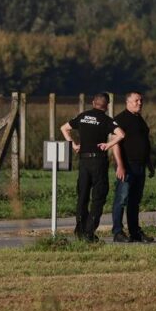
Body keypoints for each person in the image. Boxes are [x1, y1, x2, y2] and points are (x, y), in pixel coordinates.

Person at [60, 92, 125, 242]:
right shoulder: (106, 120)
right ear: (107, 105)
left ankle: (80, 229)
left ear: (93, 102)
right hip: (98, 162)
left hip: (84, 162)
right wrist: (108, 145)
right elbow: (121, 134)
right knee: (98, 197)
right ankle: (89, 232)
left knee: (82, 196)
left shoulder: (82, 116)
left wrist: (74, 145)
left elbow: (64, 128)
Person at [112, 91, 156, 243]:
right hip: (127, 165)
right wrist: (120, 165)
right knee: (122, 199)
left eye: (141, 100)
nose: (140, 103)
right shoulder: (120, 119)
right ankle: (117, 232)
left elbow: (145, 143)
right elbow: (115, 144)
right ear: (128, 102)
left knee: (134, 201)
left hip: (140, 165)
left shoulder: (140, 120)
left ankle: (135, 232)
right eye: (136, 101)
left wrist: (149, 164)